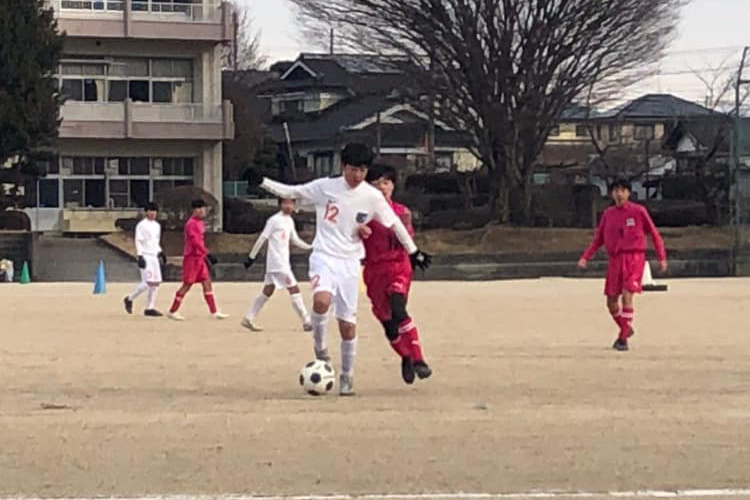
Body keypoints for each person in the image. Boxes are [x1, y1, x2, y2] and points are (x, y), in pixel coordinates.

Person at [259, 143, 431, 396]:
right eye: (353, 170)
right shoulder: (324, 187)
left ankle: (347, 376)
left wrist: (414, 251)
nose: (358, 176)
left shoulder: (371, 197)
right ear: (343, 167)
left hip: (350, 264)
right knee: (321, 301)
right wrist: (261, 181)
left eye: (362, 170)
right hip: (324, 256)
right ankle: (320, 348)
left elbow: (395, 224)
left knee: (347, 326)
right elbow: (290, 191)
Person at [359, 164, 432, 384]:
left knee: (399, 310)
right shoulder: (361, 214)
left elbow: (406, 238)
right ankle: (406, 356)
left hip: (399, 267)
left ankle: (420, 360)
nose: (381, 187)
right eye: (376, 183)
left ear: (393, 185)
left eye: (386, 182)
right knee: (388, 323)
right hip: (374, 271)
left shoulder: (402, 212)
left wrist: (415, 255)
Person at [578, 178, 667, 351]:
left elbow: (655, 234)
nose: (619, 194)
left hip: (634, 258)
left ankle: (622, 338)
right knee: (611, 301)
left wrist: (661, 257)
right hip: (615, 260)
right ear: (611, 194)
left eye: (622, 190)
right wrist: (585, 257)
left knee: (628, 295)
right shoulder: (608, 214)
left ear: (628, 193)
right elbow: (599, 239)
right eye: (616, 190)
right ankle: (626, 328)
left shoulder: (638, 211)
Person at [241, 198, 313, 332]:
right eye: (285, 203)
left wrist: (310, 247)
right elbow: (263, 237)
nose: (288, 206)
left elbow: (295, 239)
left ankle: (248, 318)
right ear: (280, 204)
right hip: (278, 262)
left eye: (291, 203)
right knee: (294, 289)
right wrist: (252, 256)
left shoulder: (289, 221)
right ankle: (306, 321)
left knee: (267, 291)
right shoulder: (274, 220)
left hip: (281, 262)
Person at [167, 199, 228, 321]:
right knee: (187, 284)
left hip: (199, 257)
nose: (202, 211)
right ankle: (173, 310)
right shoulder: (191, 224)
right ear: (194, 210)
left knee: (207, 282)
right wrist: (207, 253)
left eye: (203, 208)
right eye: (199, 208)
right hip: (192, 258)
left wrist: (204, 254)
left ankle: (214, 311)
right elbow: (195, 242)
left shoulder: (200, 223)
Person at [123, 202, 166, 317]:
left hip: (154, 255)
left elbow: (155, 241)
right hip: (146, 255)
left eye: (155, 211)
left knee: (156, 283)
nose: (153, 213)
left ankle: (150, 307)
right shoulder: (142, 225)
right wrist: (140, 255)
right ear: (146, 212)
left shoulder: (157, 225)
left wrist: (160, 252)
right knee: (147, 282)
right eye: (150, 211)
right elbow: (139, 241)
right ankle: (129, 298)